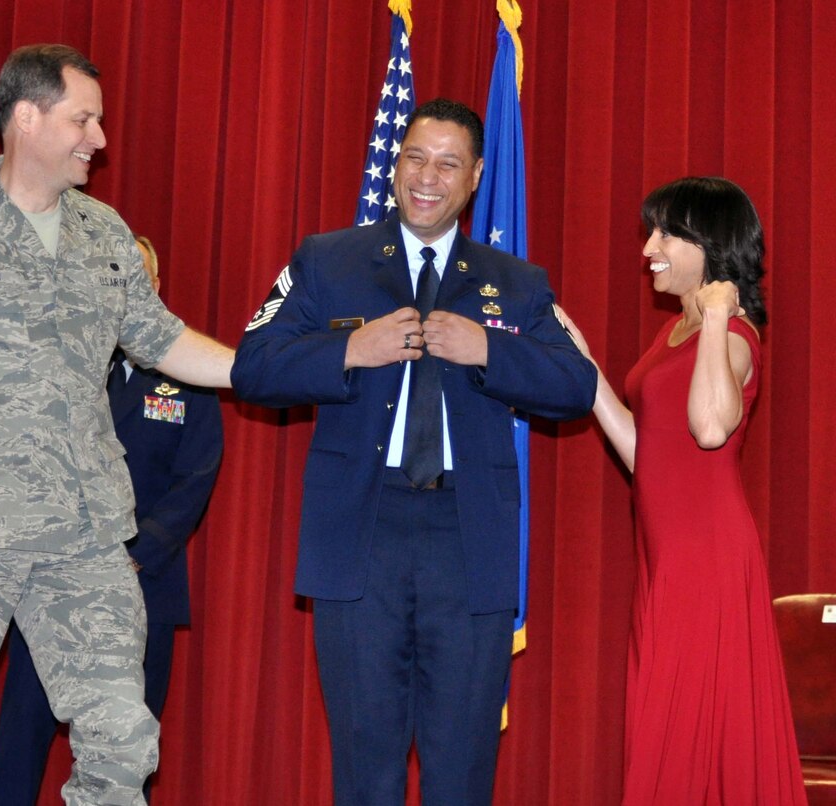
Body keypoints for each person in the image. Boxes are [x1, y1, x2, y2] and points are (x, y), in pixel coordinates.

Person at [0, 44, 233, 804]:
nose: (99, 138)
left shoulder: (105, 233)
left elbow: (162, 339)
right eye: (82, 118)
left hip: (84, 540)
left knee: (124, 740)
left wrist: (274, 368)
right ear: (27, 118)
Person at [232, 98, 597, 805]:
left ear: (475, 177)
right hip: (360, 538)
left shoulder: (515, 284)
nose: (426, 178)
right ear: (395, 165)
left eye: (448, 164)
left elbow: (575, 386)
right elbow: (254, 363)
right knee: (365, 767)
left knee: (460, 771)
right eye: (415, 159)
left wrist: (489, 347)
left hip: (469, 542)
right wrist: (349, 350)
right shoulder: (327, 260)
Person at [555, 177, 806, 804]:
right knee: (667, 729)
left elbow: (711, 427)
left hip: (707, 562)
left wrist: (720, 314)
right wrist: (584, 368)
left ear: (709, 243)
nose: (648, 249)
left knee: (688, 729)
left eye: (665, 232)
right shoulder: (674, 332)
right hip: (665, 564)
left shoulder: (737, 336)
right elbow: (650, 456)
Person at [0, 236, 224, 804]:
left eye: (134, 278)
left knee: (125, 751)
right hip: (51, 583)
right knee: (21, 737)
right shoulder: (56, 362)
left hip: (145, 585)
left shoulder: (188, 375)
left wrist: (135, 553)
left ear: (154, 288)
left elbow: (197, 478)